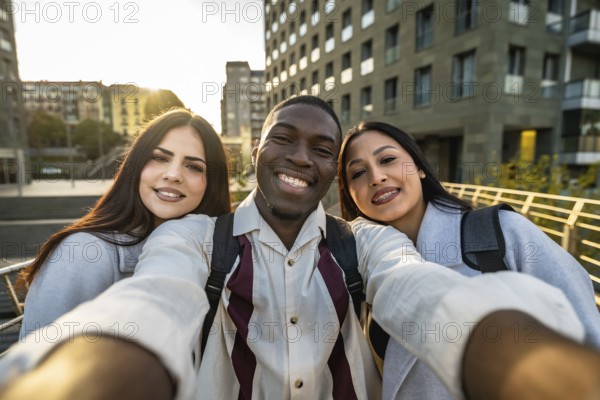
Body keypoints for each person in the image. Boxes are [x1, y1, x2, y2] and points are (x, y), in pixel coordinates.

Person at [0, 96, 598, 400]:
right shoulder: (190, 237)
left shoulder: (364, 240)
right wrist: (85, 374)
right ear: (255, 153)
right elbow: (159, 298)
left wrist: (531, 366)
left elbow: (416, 288)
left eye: (321, 148)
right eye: (282, 139)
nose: (299, 157)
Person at [337, 121, 600, 399]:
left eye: (388, 159)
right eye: (358, 172)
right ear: (351, 196)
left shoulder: (503, 231)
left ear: (420, 168)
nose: (376, 177)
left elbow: (588, 332)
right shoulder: (354, 267)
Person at [18, 108, 231, 338]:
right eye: (159, 158)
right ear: (137, 165)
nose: (173, 174)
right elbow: (39, 364)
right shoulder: (82, 253)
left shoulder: (216, 249)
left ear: (211, 182)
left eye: (193, 166)